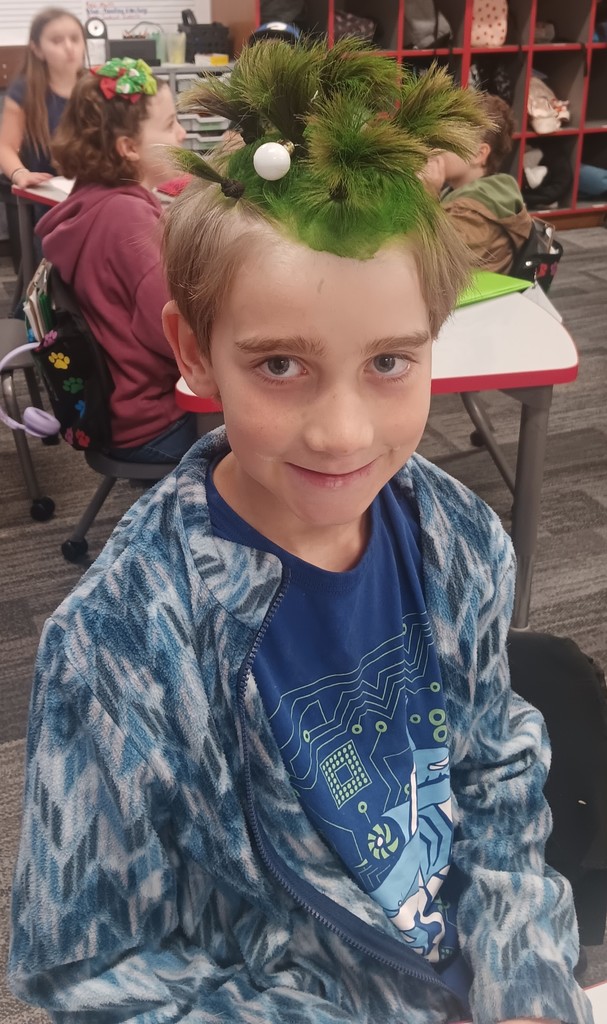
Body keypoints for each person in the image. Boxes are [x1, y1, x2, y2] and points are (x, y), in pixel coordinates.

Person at [9, 41, 593, 1024]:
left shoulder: (457, 536)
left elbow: (493, 771)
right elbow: (89, 971)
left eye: (388, 363)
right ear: (195, 352)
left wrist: (525, 975)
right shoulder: (120, 644)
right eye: (280, 364)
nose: (343, 431)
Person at [35, 57, 197, 462]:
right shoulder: (128, 222)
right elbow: (178, 335)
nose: (182, 134)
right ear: (128, 148)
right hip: (156, 422)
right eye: (169, 124)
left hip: (119, 414)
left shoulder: (93, 201)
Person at [423, 92, 533, 274]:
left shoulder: (472, 211)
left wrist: (426, 198)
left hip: (468, 299)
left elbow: (433, 264)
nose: (432, 149)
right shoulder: (473, 193)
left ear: (479, 154)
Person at [0, 7, 86, 190]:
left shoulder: (97, 85)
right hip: (48, 192)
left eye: (75, 39)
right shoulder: (24, 91)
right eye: (57, 41)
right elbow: (5, 146)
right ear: (37, 50)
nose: (69, 47)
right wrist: (20, 173)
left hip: (94, 188)